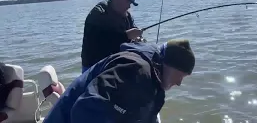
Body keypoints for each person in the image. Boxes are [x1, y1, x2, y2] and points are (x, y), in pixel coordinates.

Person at [43, 39, 196, 123]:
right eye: (180, 76)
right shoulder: (134, 70)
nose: (179, 83)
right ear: (168, 65)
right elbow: (84, 111)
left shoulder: (154, 82)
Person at [81, 0, 143, 73]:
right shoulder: (98, 13)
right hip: (94, 65)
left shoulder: (126, 15)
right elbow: (102, 40)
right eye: (128, 2)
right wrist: (126, 35)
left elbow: (133, 28)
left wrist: (137, 38)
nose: (129, 7)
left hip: (114, 62)